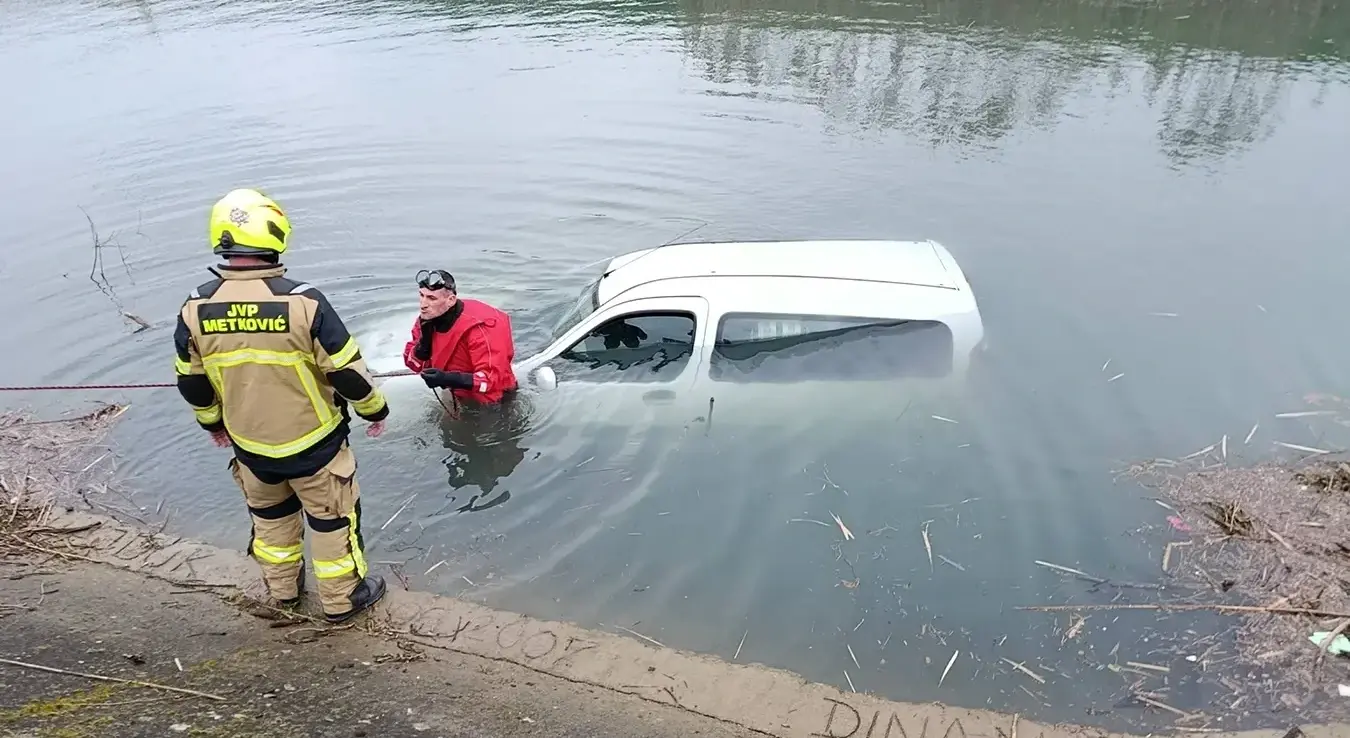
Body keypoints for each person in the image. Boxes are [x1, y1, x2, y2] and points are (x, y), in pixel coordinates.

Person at [172, 188, 389, 624]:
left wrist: (213, 423)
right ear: (274, 234)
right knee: (331, 520)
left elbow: (191, 382)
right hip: (315, 445)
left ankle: (284, 594)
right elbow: (346, 372)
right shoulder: (304, 302)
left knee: (271, 521)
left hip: (250, 447)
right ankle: (342, 600)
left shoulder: (195, 307)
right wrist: (374, 410)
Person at [402, 269, 518, 404]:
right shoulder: (427, 320)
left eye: (431, 298)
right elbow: (414, 364)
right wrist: (424, 345)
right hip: (455, 392)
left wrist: (446, 379)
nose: (423, 305)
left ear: (450, 300)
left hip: (494, 400)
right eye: (421, 295)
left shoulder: (481, 327)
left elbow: (491, 379)